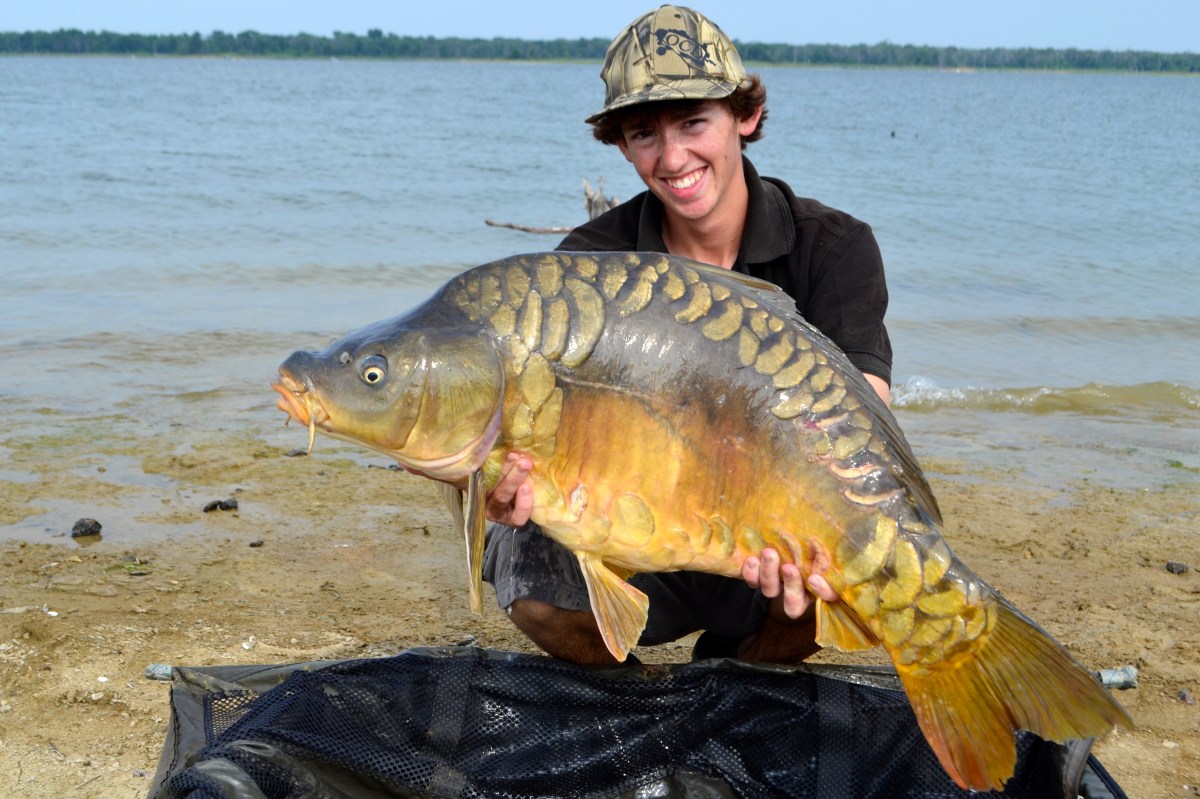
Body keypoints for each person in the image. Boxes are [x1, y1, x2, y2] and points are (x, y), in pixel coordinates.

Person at [480, 5, 893, 666]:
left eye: (694, 122)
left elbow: (867, 424)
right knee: (522, 562)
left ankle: (742, 678)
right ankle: (638, 699)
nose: (672, 158)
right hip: (632, 534)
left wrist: (804, 529)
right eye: (645, 133)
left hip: (766, 537)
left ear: (745, 116)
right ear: (621, 144)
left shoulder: (834, 246)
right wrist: (494, 484)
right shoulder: (587, 266)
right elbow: (526, 421)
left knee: (854, 558)